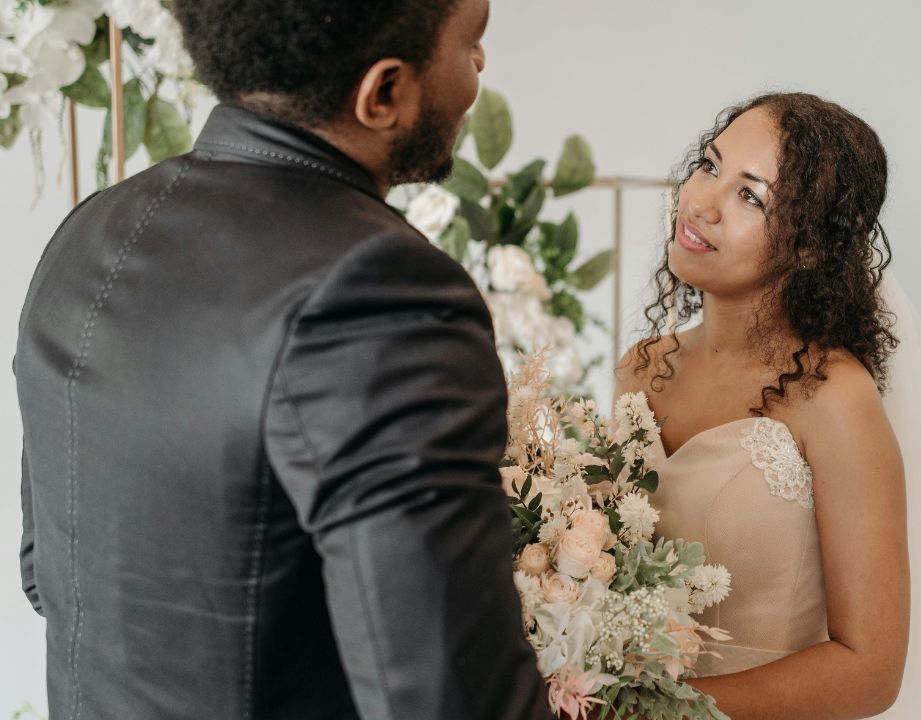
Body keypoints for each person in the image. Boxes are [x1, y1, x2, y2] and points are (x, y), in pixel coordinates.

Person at [14, 1, 552, 718]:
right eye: (472, 44)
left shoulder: (89, 229)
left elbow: (46, 577)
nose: (480, 66)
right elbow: (445, 696)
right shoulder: (383, 286)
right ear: (383, 93)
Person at [617, 93, 921, 719]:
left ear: (810, 245)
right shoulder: (640, 367)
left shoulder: (833, 399)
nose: (700, 202)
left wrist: (658, 710)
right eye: (709, 164)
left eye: (751, 196)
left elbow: (870, 670)